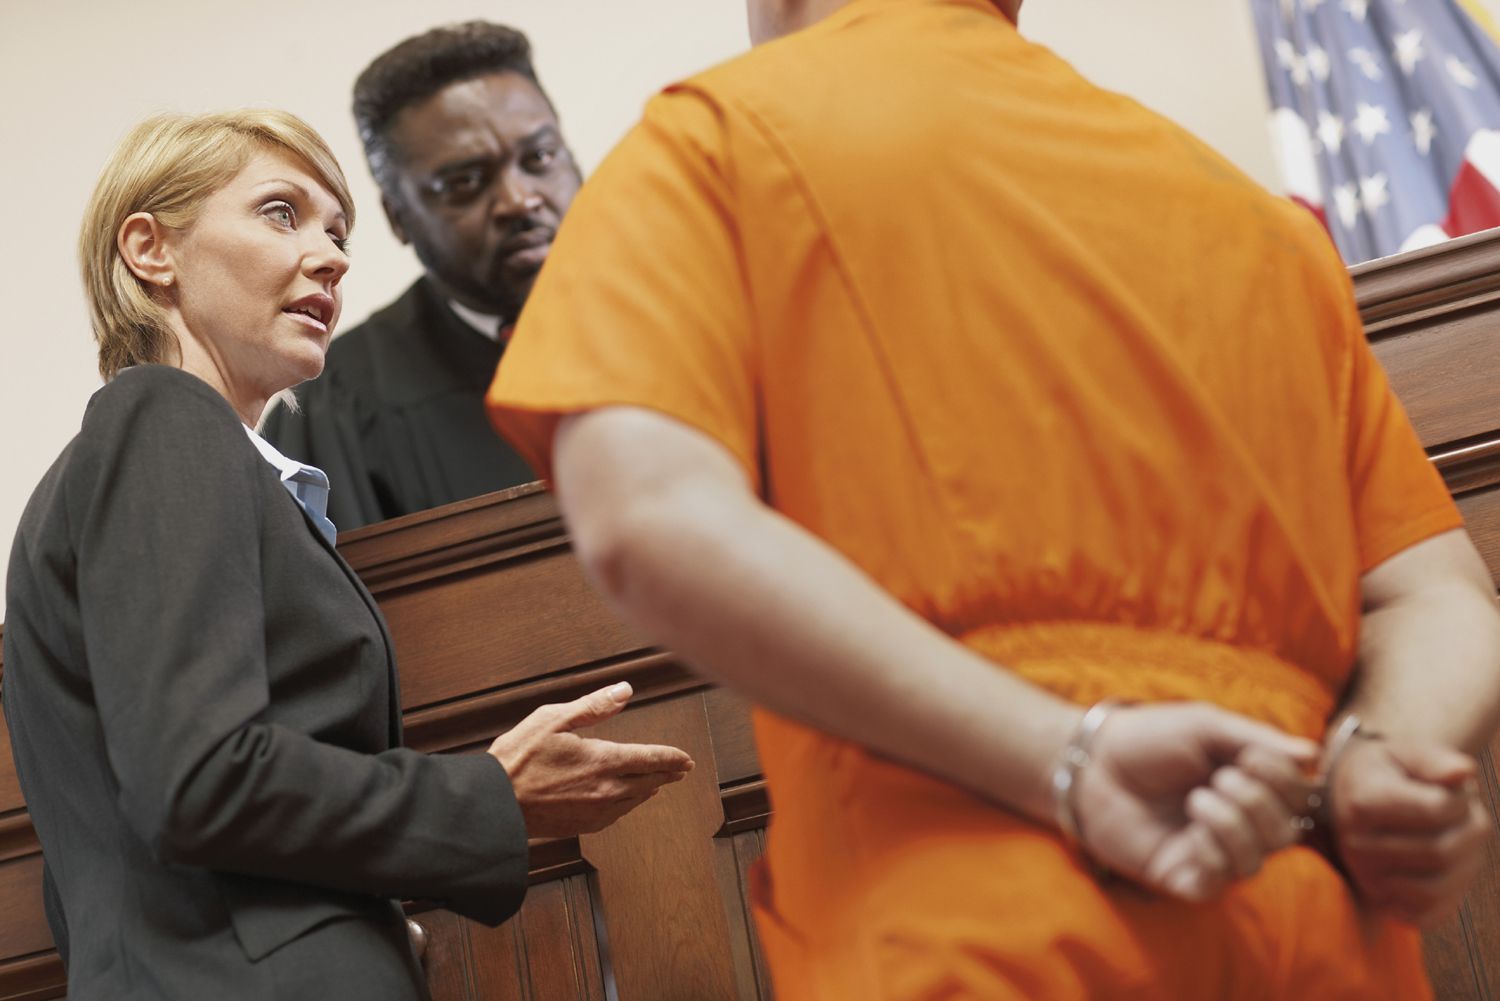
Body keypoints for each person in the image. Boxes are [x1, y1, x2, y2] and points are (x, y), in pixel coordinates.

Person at [485, 0, 1500, 998]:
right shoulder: (1259, 223)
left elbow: (647, 516)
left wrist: (1071, 756)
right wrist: (1374, 759)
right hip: (1309, 910)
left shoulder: (713, 138)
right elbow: (1437, 596)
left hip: (979, 926)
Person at [1, 109, 690, 1001]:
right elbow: (199, 778)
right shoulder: (164, 420)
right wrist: (487, 792)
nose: (332, 256)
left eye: (339, 232)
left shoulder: (158, 461)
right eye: (282, 213)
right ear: (150, 249)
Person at [262, 22, 579, 530]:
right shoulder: (338, 406)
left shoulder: (690, 318)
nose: (521, 200)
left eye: (539, 158)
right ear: (399, 218)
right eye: (466, 182)